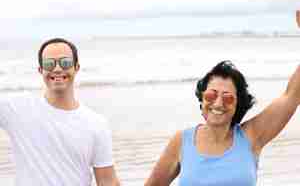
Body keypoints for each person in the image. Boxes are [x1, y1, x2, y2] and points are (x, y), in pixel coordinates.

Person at [145, 60, 300, 186]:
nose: (218, 104)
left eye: (228, 98)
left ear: (237, 104)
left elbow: (292, 95)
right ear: (202, 97)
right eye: (212, 95)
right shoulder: (182, 141)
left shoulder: (251, 136)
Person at [0, 38, 120, 186]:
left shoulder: (96, 123)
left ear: (76, 67)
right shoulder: (17, 108)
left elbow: (107, 181)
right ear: (41, 70)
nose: (57, 69)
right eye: (49, 64)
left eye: (65, 63)